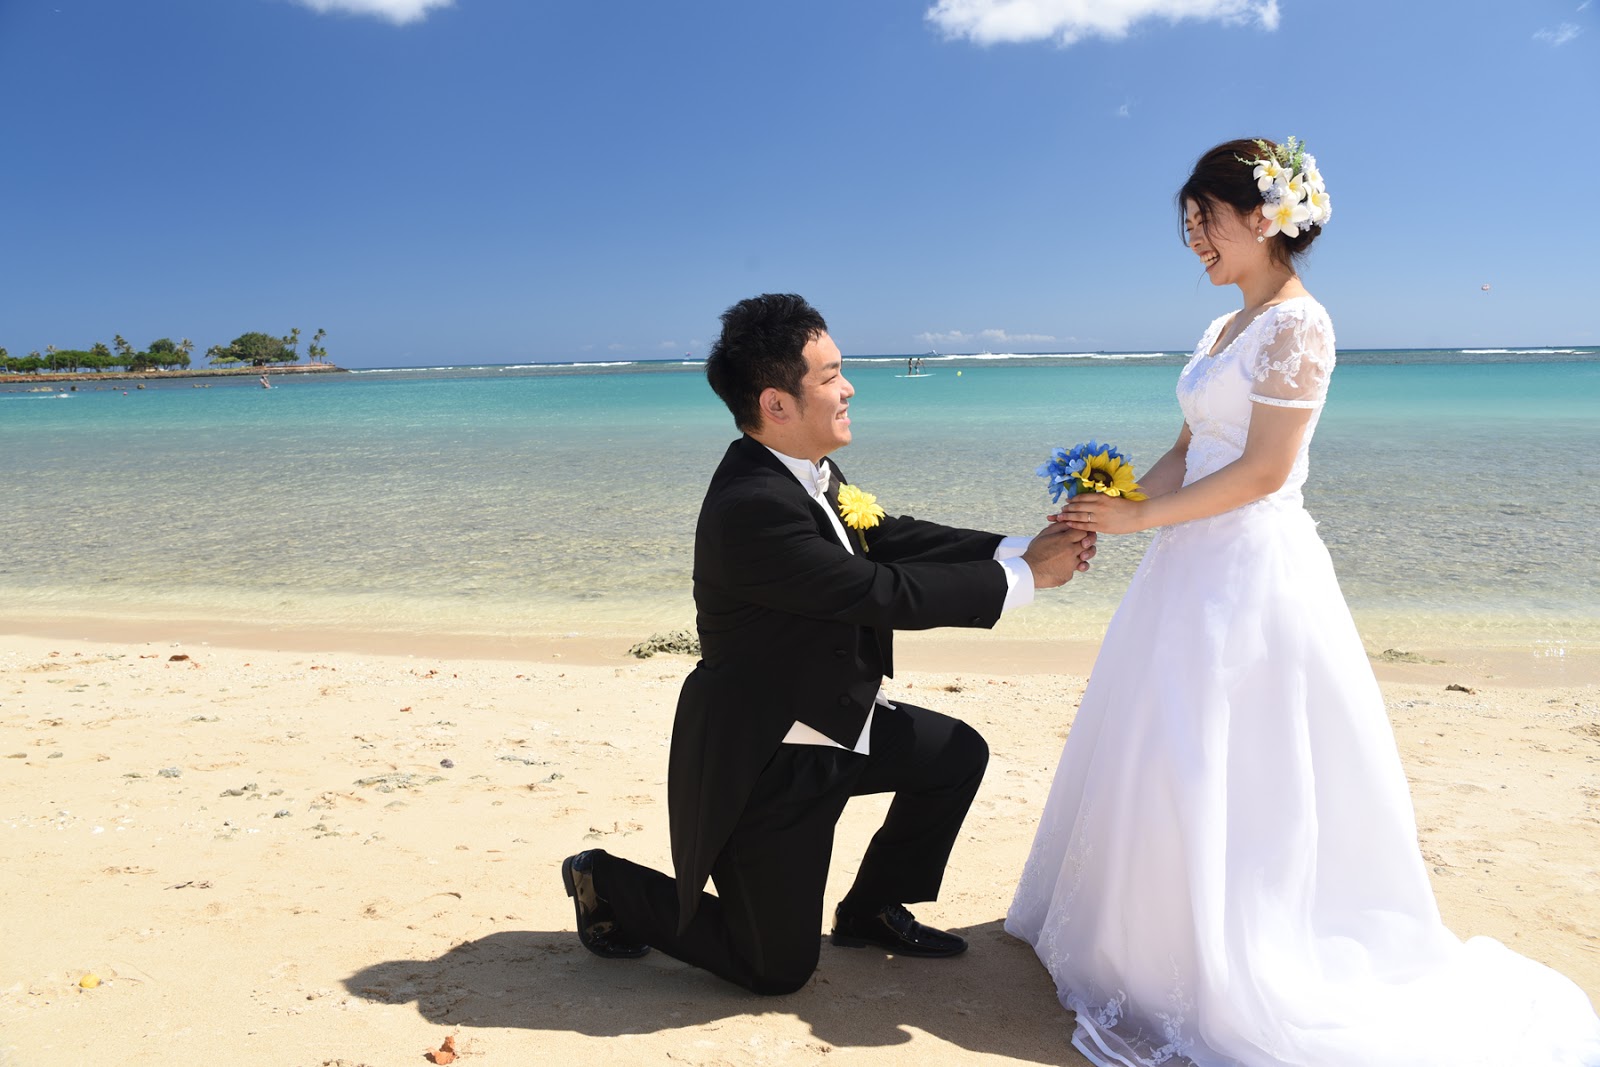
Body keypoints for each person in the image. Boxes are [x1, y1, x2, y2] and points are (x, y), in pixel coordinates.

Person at [1005, 138, 1600, 1066]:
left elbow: (1264, 471)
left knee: (1240, 752)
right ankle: (1150, 934)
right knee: (1165, 743)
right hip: (1184, 563)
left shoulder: (1300, 325)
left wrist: (1144, 516)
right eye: (1188, 223)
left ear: (1264, 218)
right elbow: (1190, 448)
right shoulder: (1224, 327)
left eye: (1206, 219)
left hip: (1252, 569)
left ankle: (1232, 949)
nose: (1194, 238)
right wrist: (1110, 505)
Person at [562, 292, 1095, 995]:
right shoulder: (751, 507)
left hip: (837, 721)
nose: (849, 388)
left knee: (955, 755)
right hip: (768, 760)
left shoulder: (806, 469)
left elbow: (886, 536)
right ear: (776, 403)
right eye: (832, 375)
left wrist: (1019, 547)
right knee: (774, 969)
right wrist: (1025, 579)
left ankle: (871, 910)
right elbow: (876, 590)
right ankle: (604, 882)